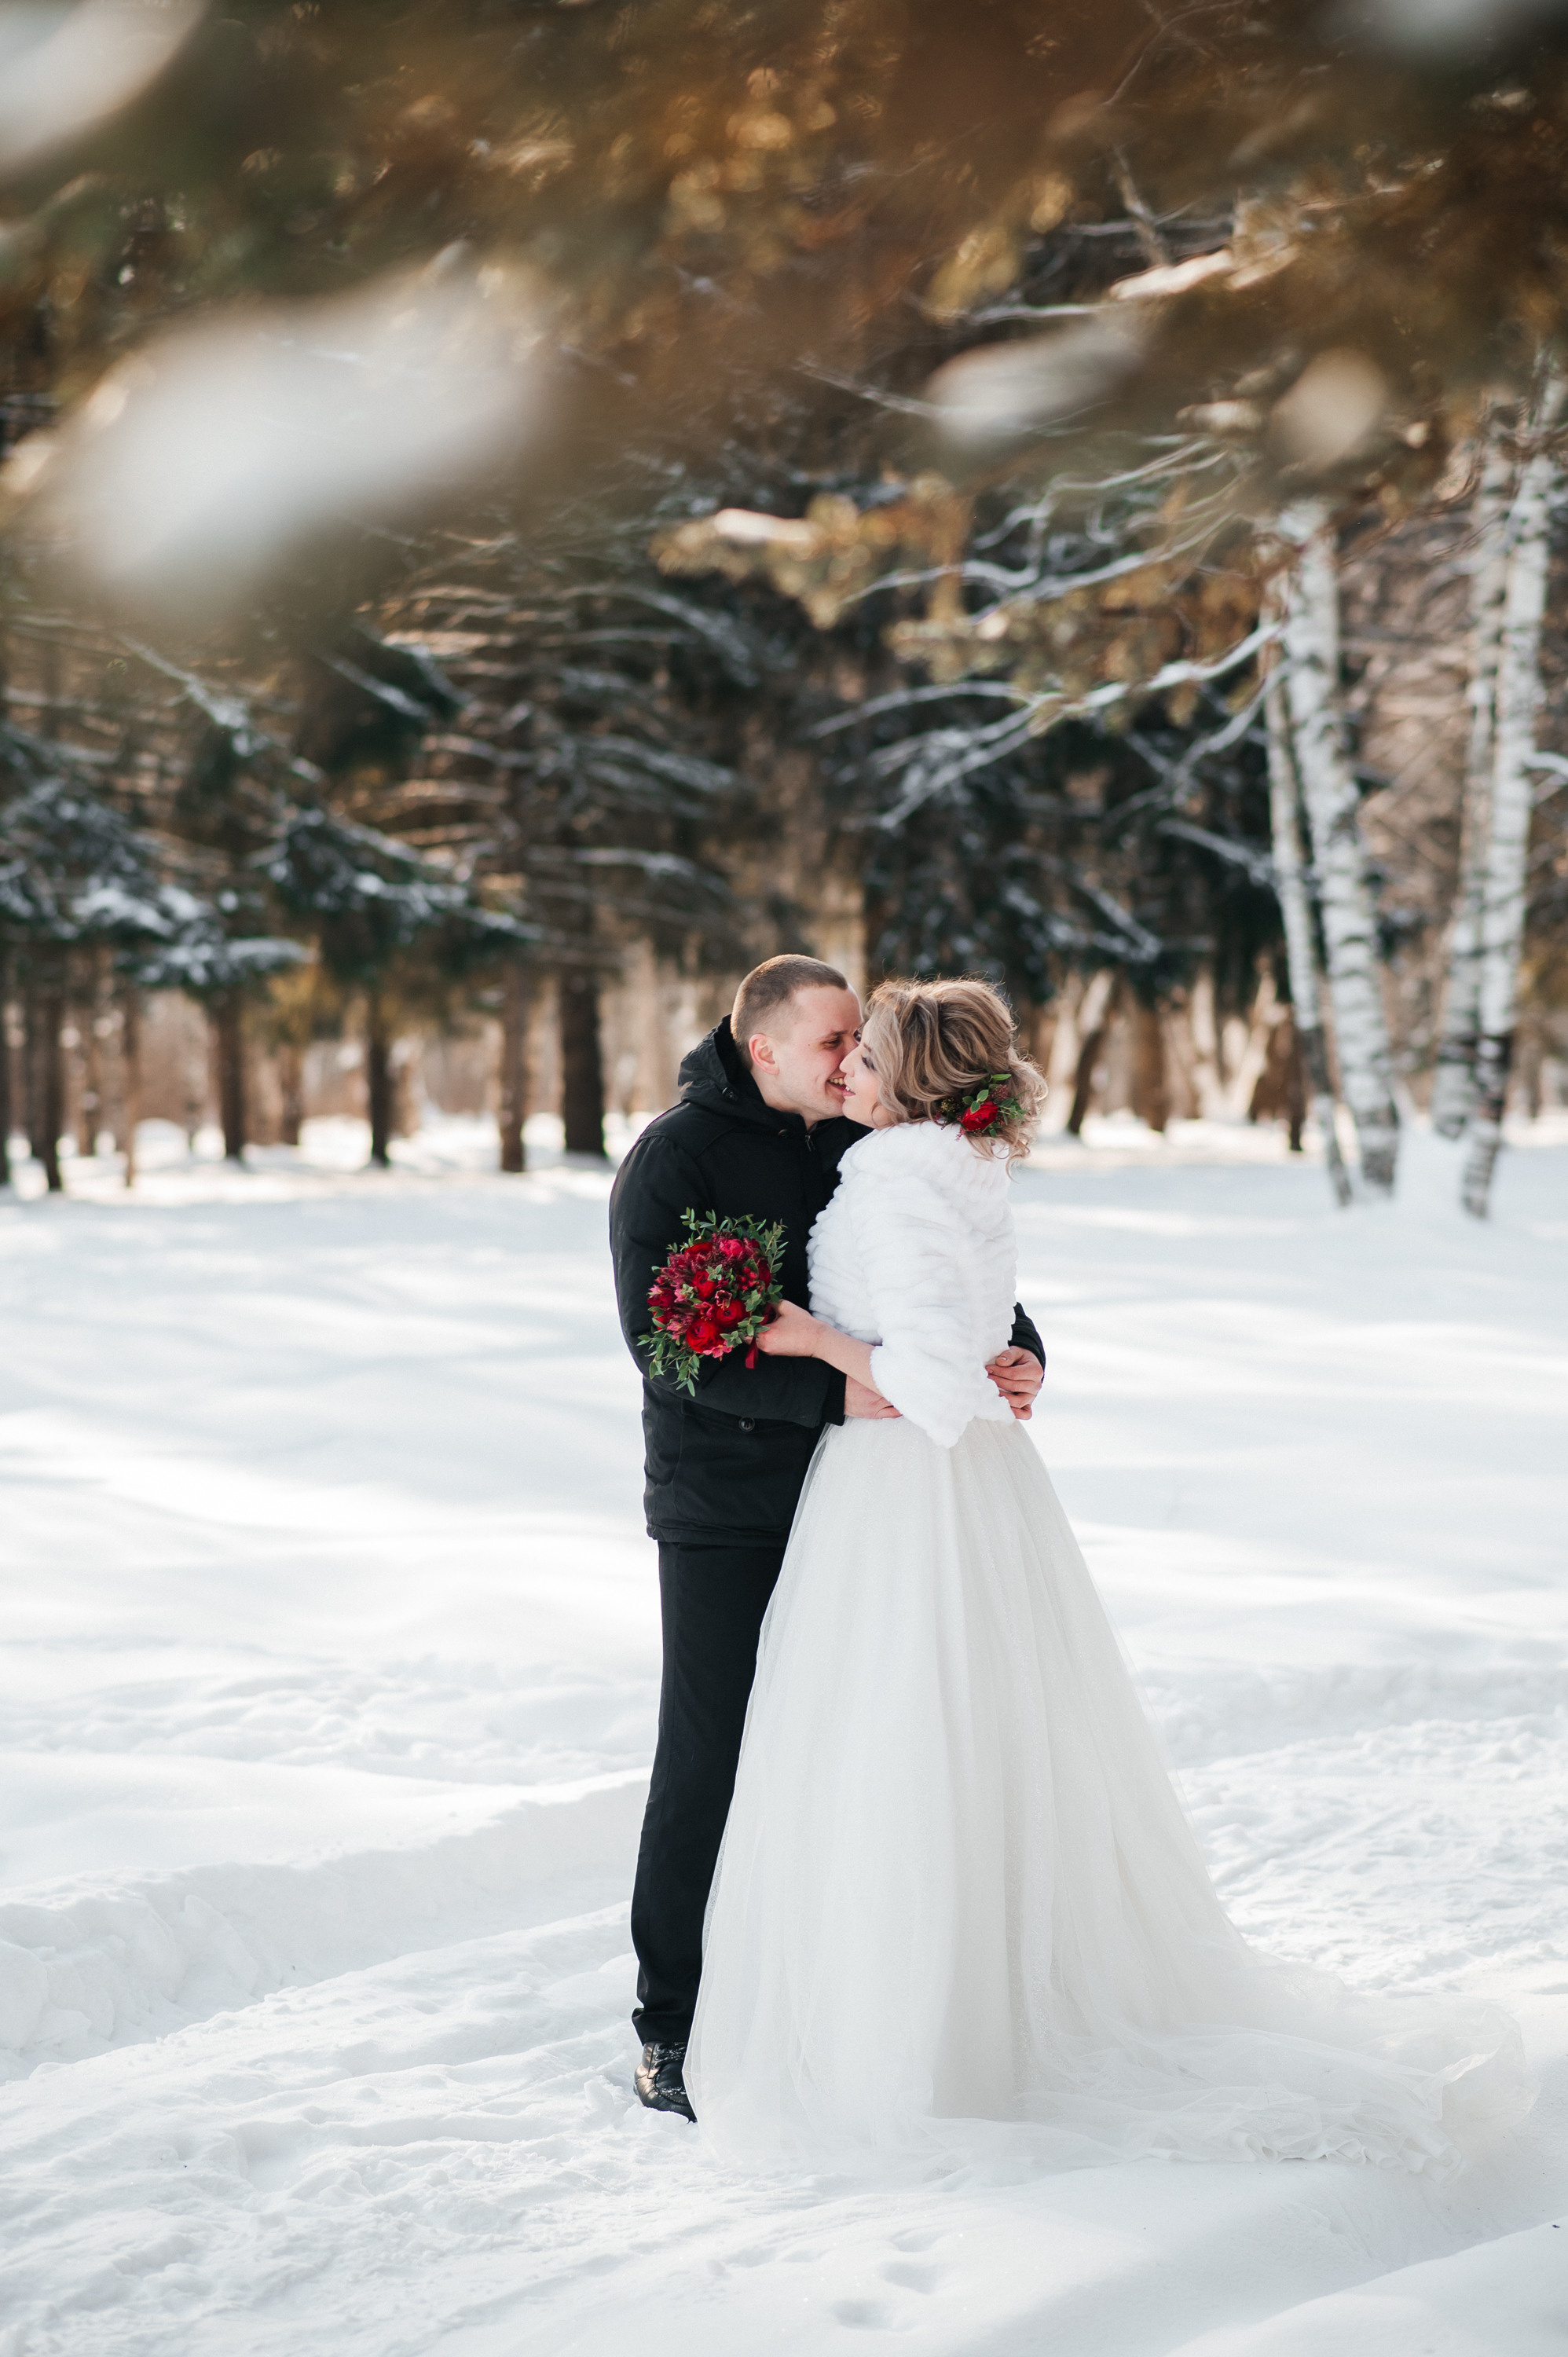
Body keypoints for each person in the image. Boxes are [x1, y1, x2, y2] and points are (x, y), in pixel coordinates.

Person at [684, 976, 1530, 2172]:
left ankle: (926, 2034)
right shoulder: (956, 1168)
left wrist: (813, 1335)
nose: (849, 1077)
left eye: (865, 1059)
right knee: (971, 1744)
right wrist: (996, 1360)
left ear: (910, 1079)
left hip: (905, 1497)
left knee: (900, 1747)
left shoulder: (891, 1177)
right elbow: (972, 1351)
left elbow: (926, 1385)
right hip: (964, 1488)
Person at [609, 955, 1046, 2121]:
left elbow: (940, 1270)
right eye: (832, 1042)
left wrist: (1023, 1349)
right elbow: (668, 1349)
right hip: (729, 1505)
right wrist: (833, 1398)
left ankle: (819, 1997)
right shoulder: (677, 1158)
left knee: (855, 1761)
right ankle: (674, 2024)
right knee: (712, 1756)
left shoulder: (867, 1134)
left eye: (863, 1039)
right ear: (763, 1051)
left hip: (865, 1504)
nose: (856, 1058)